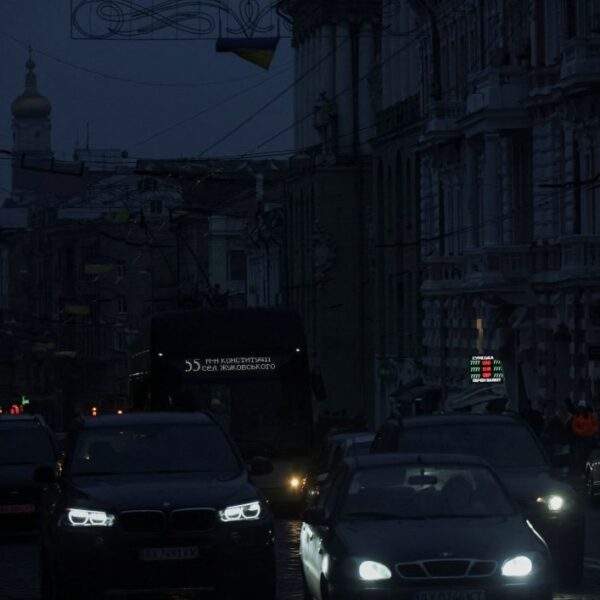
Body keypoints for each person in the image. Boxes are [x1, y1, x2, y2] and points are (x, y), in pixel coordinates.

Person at [570, 400, 599, 477]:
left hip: (590, 440)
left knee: (590, 457)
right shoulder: (576, 416)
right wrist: (581, 432)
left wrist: (591, 431)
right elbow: (574, 427)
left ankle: (589, 472)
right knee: (580, 457)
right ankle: (581, 472)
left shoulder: (590, 416)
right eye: (580, 408)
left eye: (583, 408)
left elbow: (596, 425)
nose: (581, 409)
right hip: (580, 440)